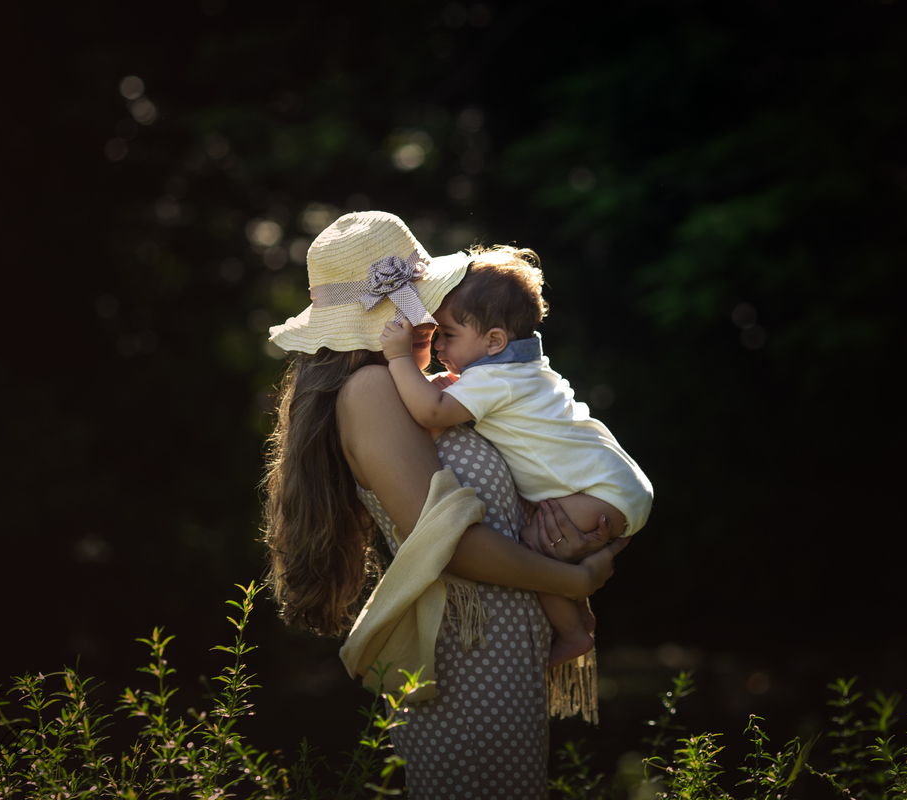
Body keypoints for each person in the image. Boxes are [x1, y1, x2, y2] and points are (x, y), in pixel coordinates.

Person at [263, 210, 628, 798]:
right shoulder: (374, 389)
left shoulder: (423, 390)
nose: (431, 315)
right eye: (419, 301)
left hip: (497, 643)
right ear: (385, 316)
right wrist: (574, 576)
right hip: (469, 650)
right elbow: (451, 544)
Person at [379, 246, 653, 667]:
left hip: (601, 493)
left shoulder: (493, 380)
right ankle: (578, 614)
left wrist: (399, 358)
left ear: (494, 341)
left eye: (448, 334)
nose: (437, 345)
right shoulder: (516, 370)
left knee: (535, 549)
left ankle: (574, 633)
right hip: (616, 485)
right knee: (549, 543)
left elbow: (431, 412)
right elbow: (445, 395)